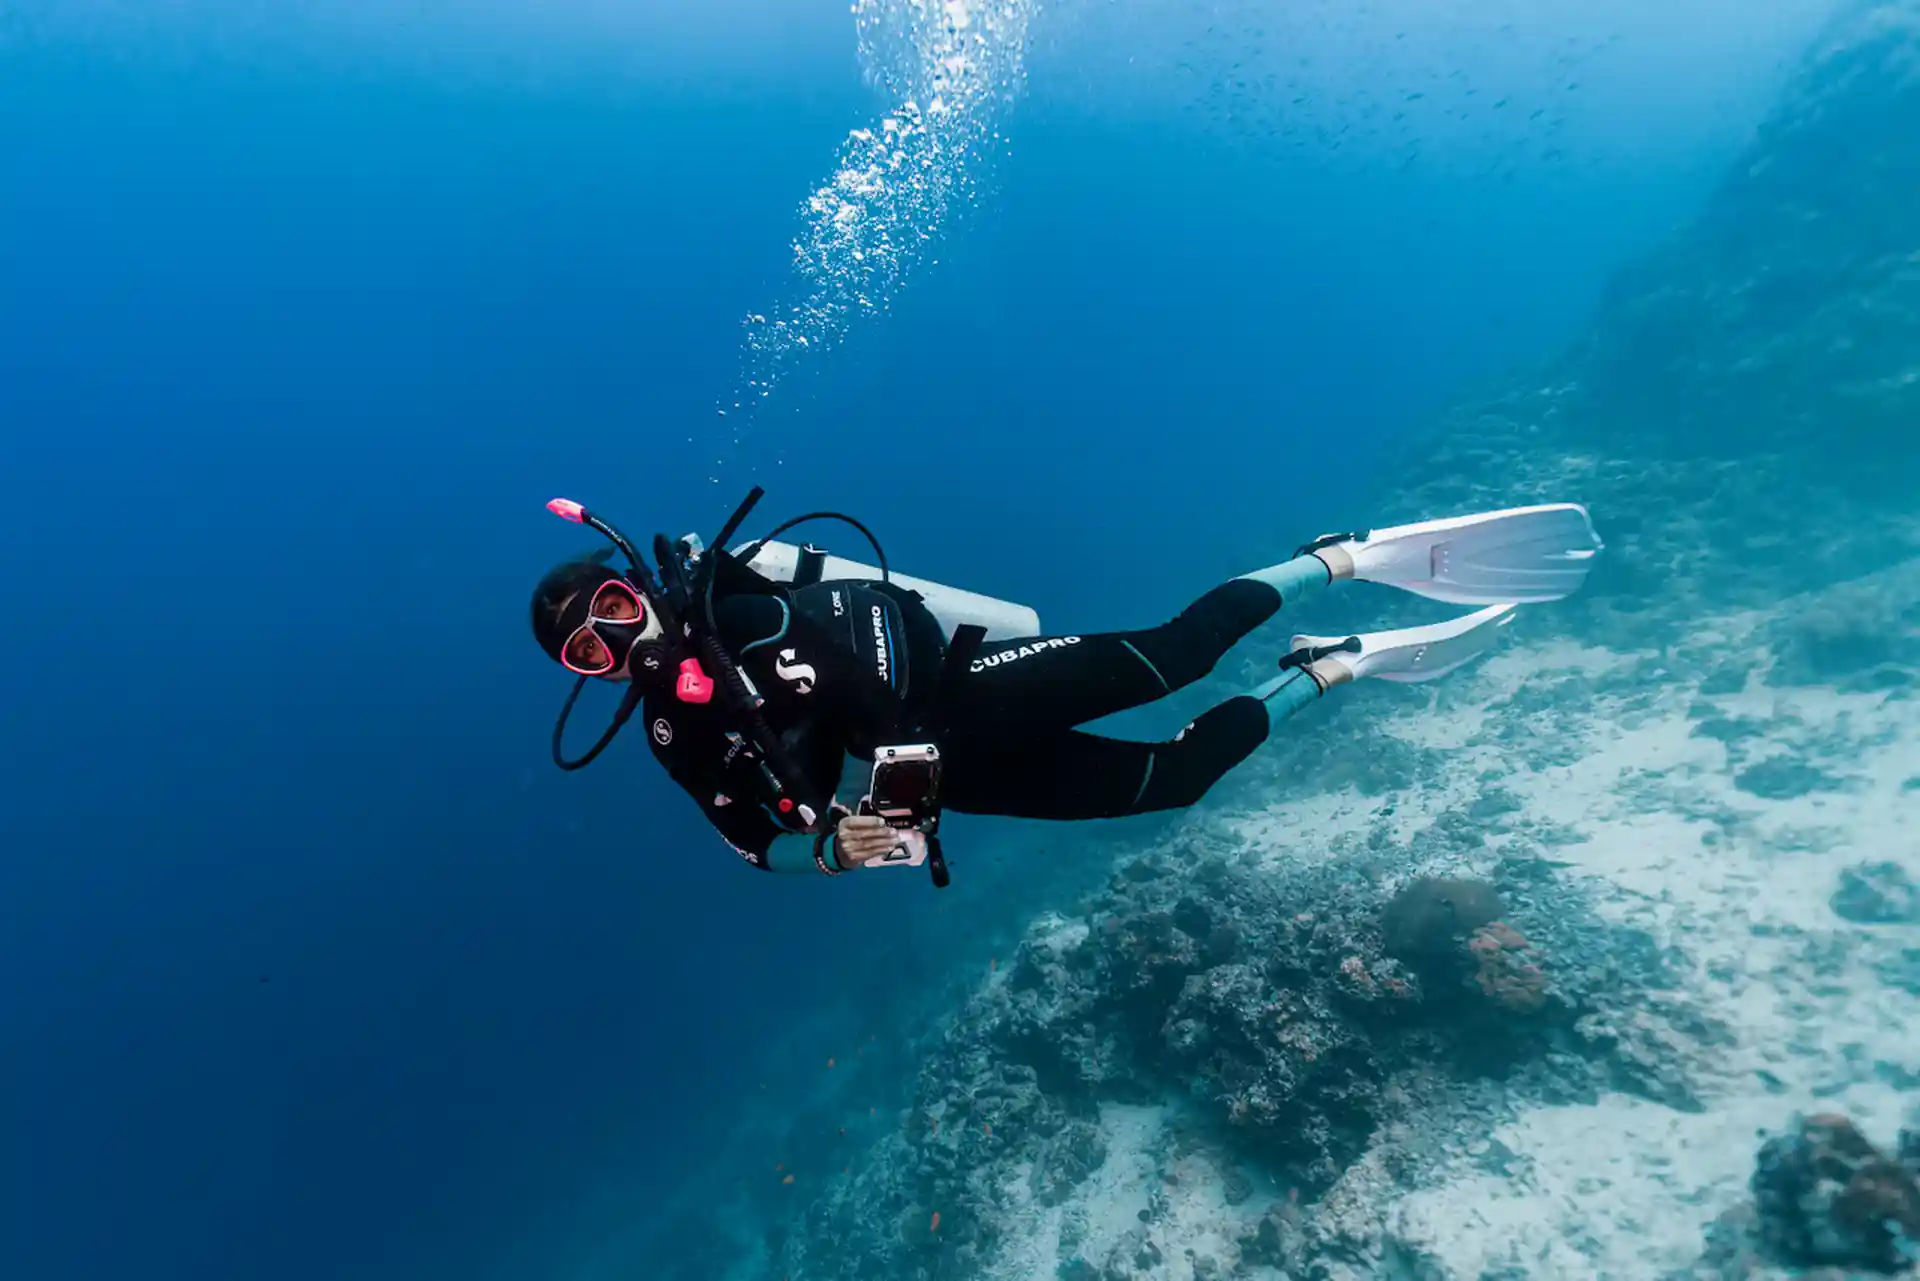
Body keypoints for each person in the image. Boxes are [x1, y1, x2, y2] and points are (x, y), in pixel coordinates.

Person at [527, 496, 1602, 877]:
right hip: (952, 775)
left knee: (1175, 656)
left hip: (968, 682)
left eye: (613, 613)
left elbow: (870, 637)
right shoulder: (675, 735)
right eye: (591, 653)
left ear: (635, 589)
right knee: (1172, 782)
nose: (620, 646)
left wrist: (886, 738)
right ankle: (1330, 667)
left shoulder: (738, 593)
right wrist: (827, 848)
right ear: (590, 675)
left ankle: (1342, 556)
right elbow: (750, 841)